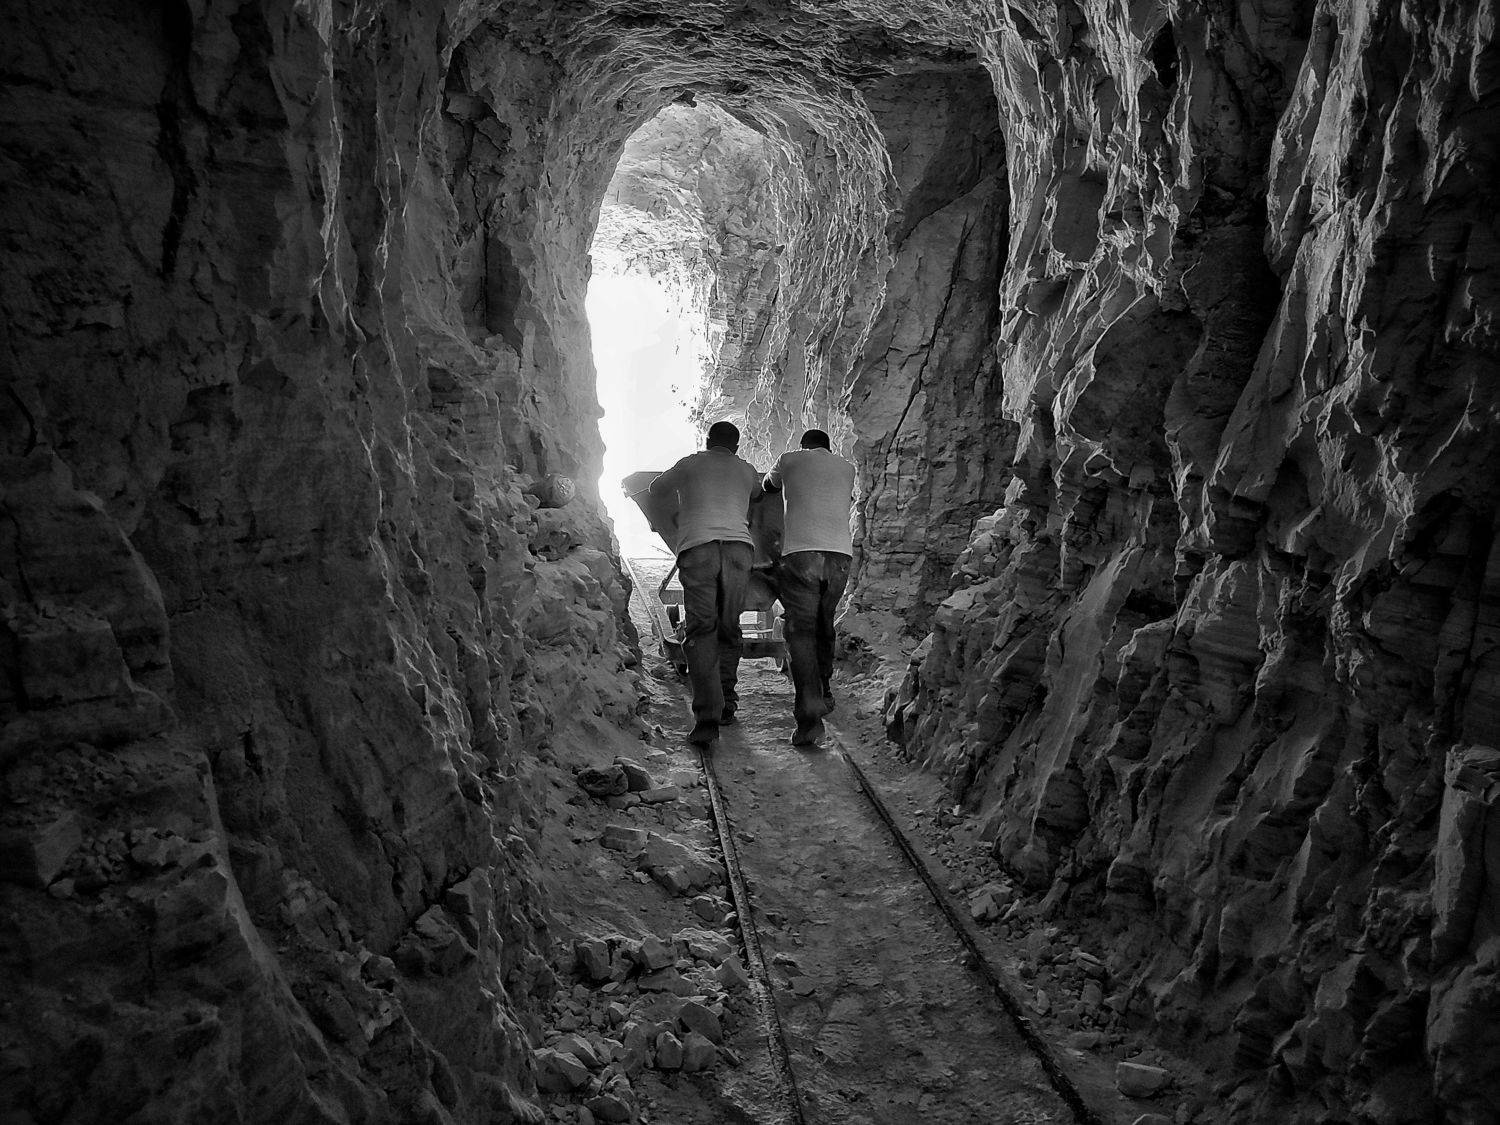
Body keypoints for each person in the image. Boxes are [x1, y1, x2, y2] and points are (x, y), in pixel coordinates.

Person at [649, 420, 763, 747]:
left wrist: (673, 518)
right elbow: (757, 494)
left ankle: (708, 717)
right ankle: (727, 700)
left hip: (699, 549)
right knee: (729, 628)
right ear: (737, 447)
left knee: (701, 631)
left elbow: (656, 489)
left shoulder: (690, 462)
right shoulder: (746, 469)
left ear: (707, 440)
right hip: (740, 552)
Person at [762, 428, 856, 746]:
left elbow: (767, 486)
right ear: (828, 448)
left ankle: (809, 718)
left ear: (803, 446)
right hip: (840, 556)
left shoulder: (789, 460)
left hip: (802, 554)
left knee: (800, 632)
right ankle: (825, 690)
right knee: (823, 624)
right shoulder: (847, 466)